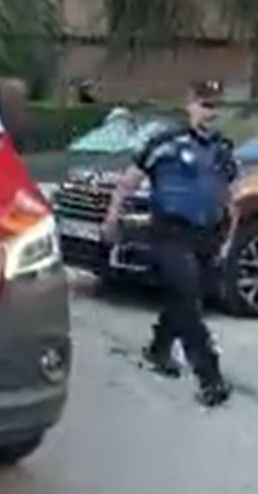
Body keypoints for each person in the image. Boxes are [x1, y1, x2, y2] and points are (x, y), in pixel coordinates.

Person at [102, 80, 238, 407]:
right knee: (188, 299)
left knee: (186, 296)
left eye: (215, 107)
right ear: (189, 105)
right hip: (170, 231)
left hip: (207, 234)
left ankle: (159, 349)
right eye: (204, 105)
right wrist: (112, 218)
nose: (209, 113)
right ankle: (210, 377)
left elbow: (232, 198)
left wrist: (229, 238)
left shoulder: (222, 150)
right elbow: (128, 182)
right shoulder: (165, 142)